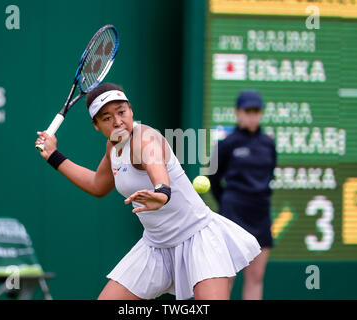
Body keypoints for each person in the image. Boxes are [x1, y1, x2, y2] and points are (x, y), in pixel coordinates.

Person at [35, 83, 261, 300]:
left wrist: (162, 192)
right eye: (107, 118)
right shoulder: (112, 148)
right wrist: (55, 156)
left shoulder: (145, 138)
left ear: (131, 110)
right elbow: (97, 185)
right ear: (96, 125)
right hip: (155, 246)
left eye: (122, 112)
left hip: (198, 237)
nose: (118, 122)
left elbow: (155, 164)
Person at [208, 90, 277, 300]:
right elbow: (212, 177)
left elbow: (270, 174)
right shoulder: (227, 144)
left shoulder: (268, 143)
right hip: (233, 214)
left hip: (260, 214)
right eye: (248, 111)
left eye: (256, 111)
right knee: (226, 278)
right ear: (238, 112)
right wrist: (227, 203)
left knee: (256, 277)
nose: (252, 115)